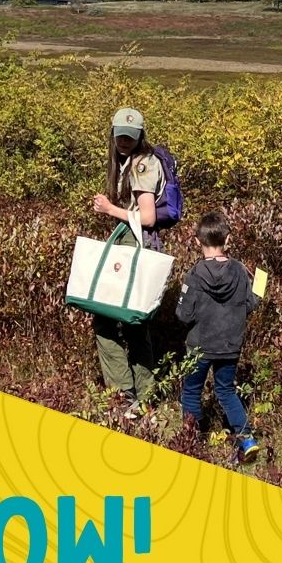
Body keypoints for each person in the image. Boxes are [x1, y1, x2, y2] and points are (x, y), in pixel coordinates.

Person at [91, 107, 166, 404]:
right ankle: (142, 396)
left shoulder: (143, 165)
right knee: (134, 322)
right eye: (120, 135)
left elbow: (147, 218)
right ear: (112, 133)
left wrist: (110, 209)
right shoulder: (130, 161)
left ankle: (125, 395)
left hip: (134, 245)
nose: (124, 140)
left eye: (130, 136)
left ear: (140, 136)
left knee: (109, 319)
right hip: (135, 244)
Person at [176, 211, 261, 461]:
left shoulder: (193, 275)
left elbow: (183, 315)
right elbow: (250, 304)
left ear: (197, 241)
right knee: (226, 392)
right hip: (230, 345)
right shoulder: (240, 272)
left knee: (191, 392)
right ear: (228, 239)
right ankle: (247, 439)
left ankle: (191, 442)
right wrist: (260, 287)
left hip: (199, 347)